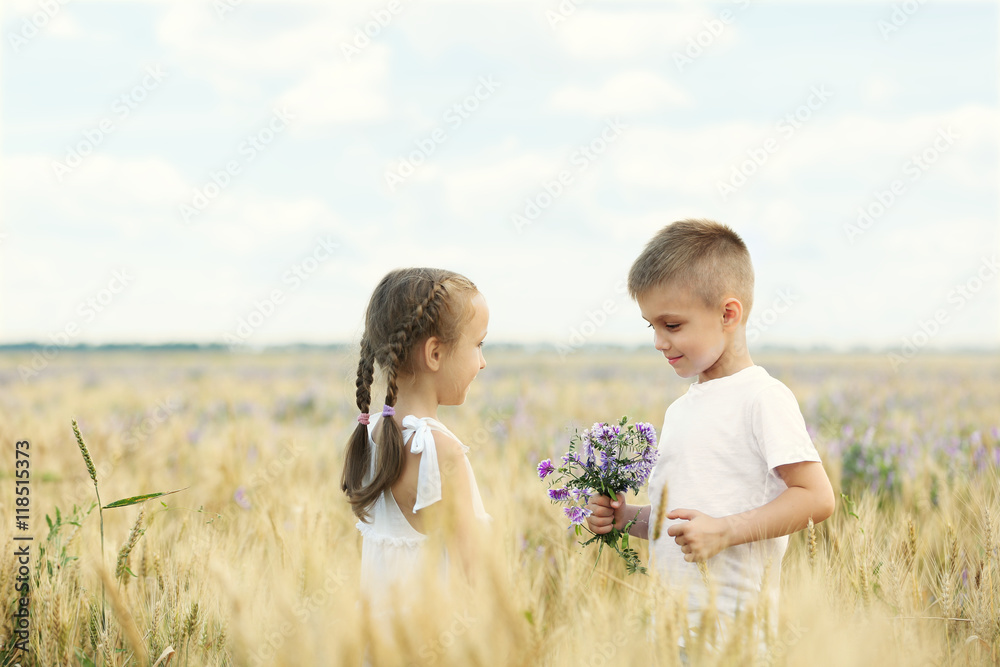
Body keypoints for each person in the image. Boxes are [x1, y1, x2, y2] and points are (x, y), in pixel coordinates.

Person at [586, 219, 835, 649]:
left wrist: (725, 531)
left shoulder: (763, 398)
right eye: (652, 327)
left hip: (735, 639)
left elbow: (817, 498)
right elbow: (682, 522)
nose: (660, 342)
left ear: (728, 314)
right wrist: (627, 519)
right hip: (671, 634)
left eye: (673, 325)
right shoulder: (681, 409)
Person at [341, 267, 491, 618]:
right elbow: (476, 574)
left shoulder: (374, 433)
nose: (483, 363)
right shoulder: (437, 449)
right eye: (479, 345)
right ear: (435, 353)